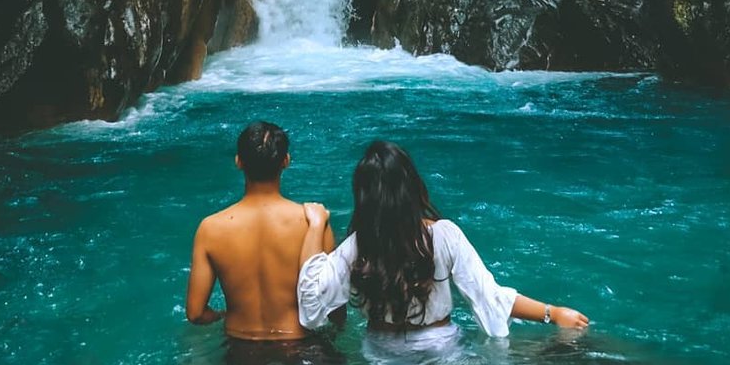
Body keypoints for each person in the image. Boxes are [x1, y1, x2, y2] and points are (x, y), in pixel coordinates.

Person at [297, 140, 589, 348]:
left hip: (382, 352)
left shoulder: (358, 246)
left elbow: (311, 298)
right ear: (413, 186)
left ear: (364, 197)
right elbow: (490, 295)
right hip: (440, 348)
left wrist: (315, 226)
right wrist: (553, 313)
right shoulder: (444, 235)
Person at [185, 120, 337, 343]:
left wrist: (224, 315)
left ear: (238, 162)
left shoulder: (210, 228)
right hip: (300, 344)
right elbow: (333, 308)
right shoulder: (313, 222)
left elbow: (196, 313)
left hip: (239, 346)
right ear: (286, 161)